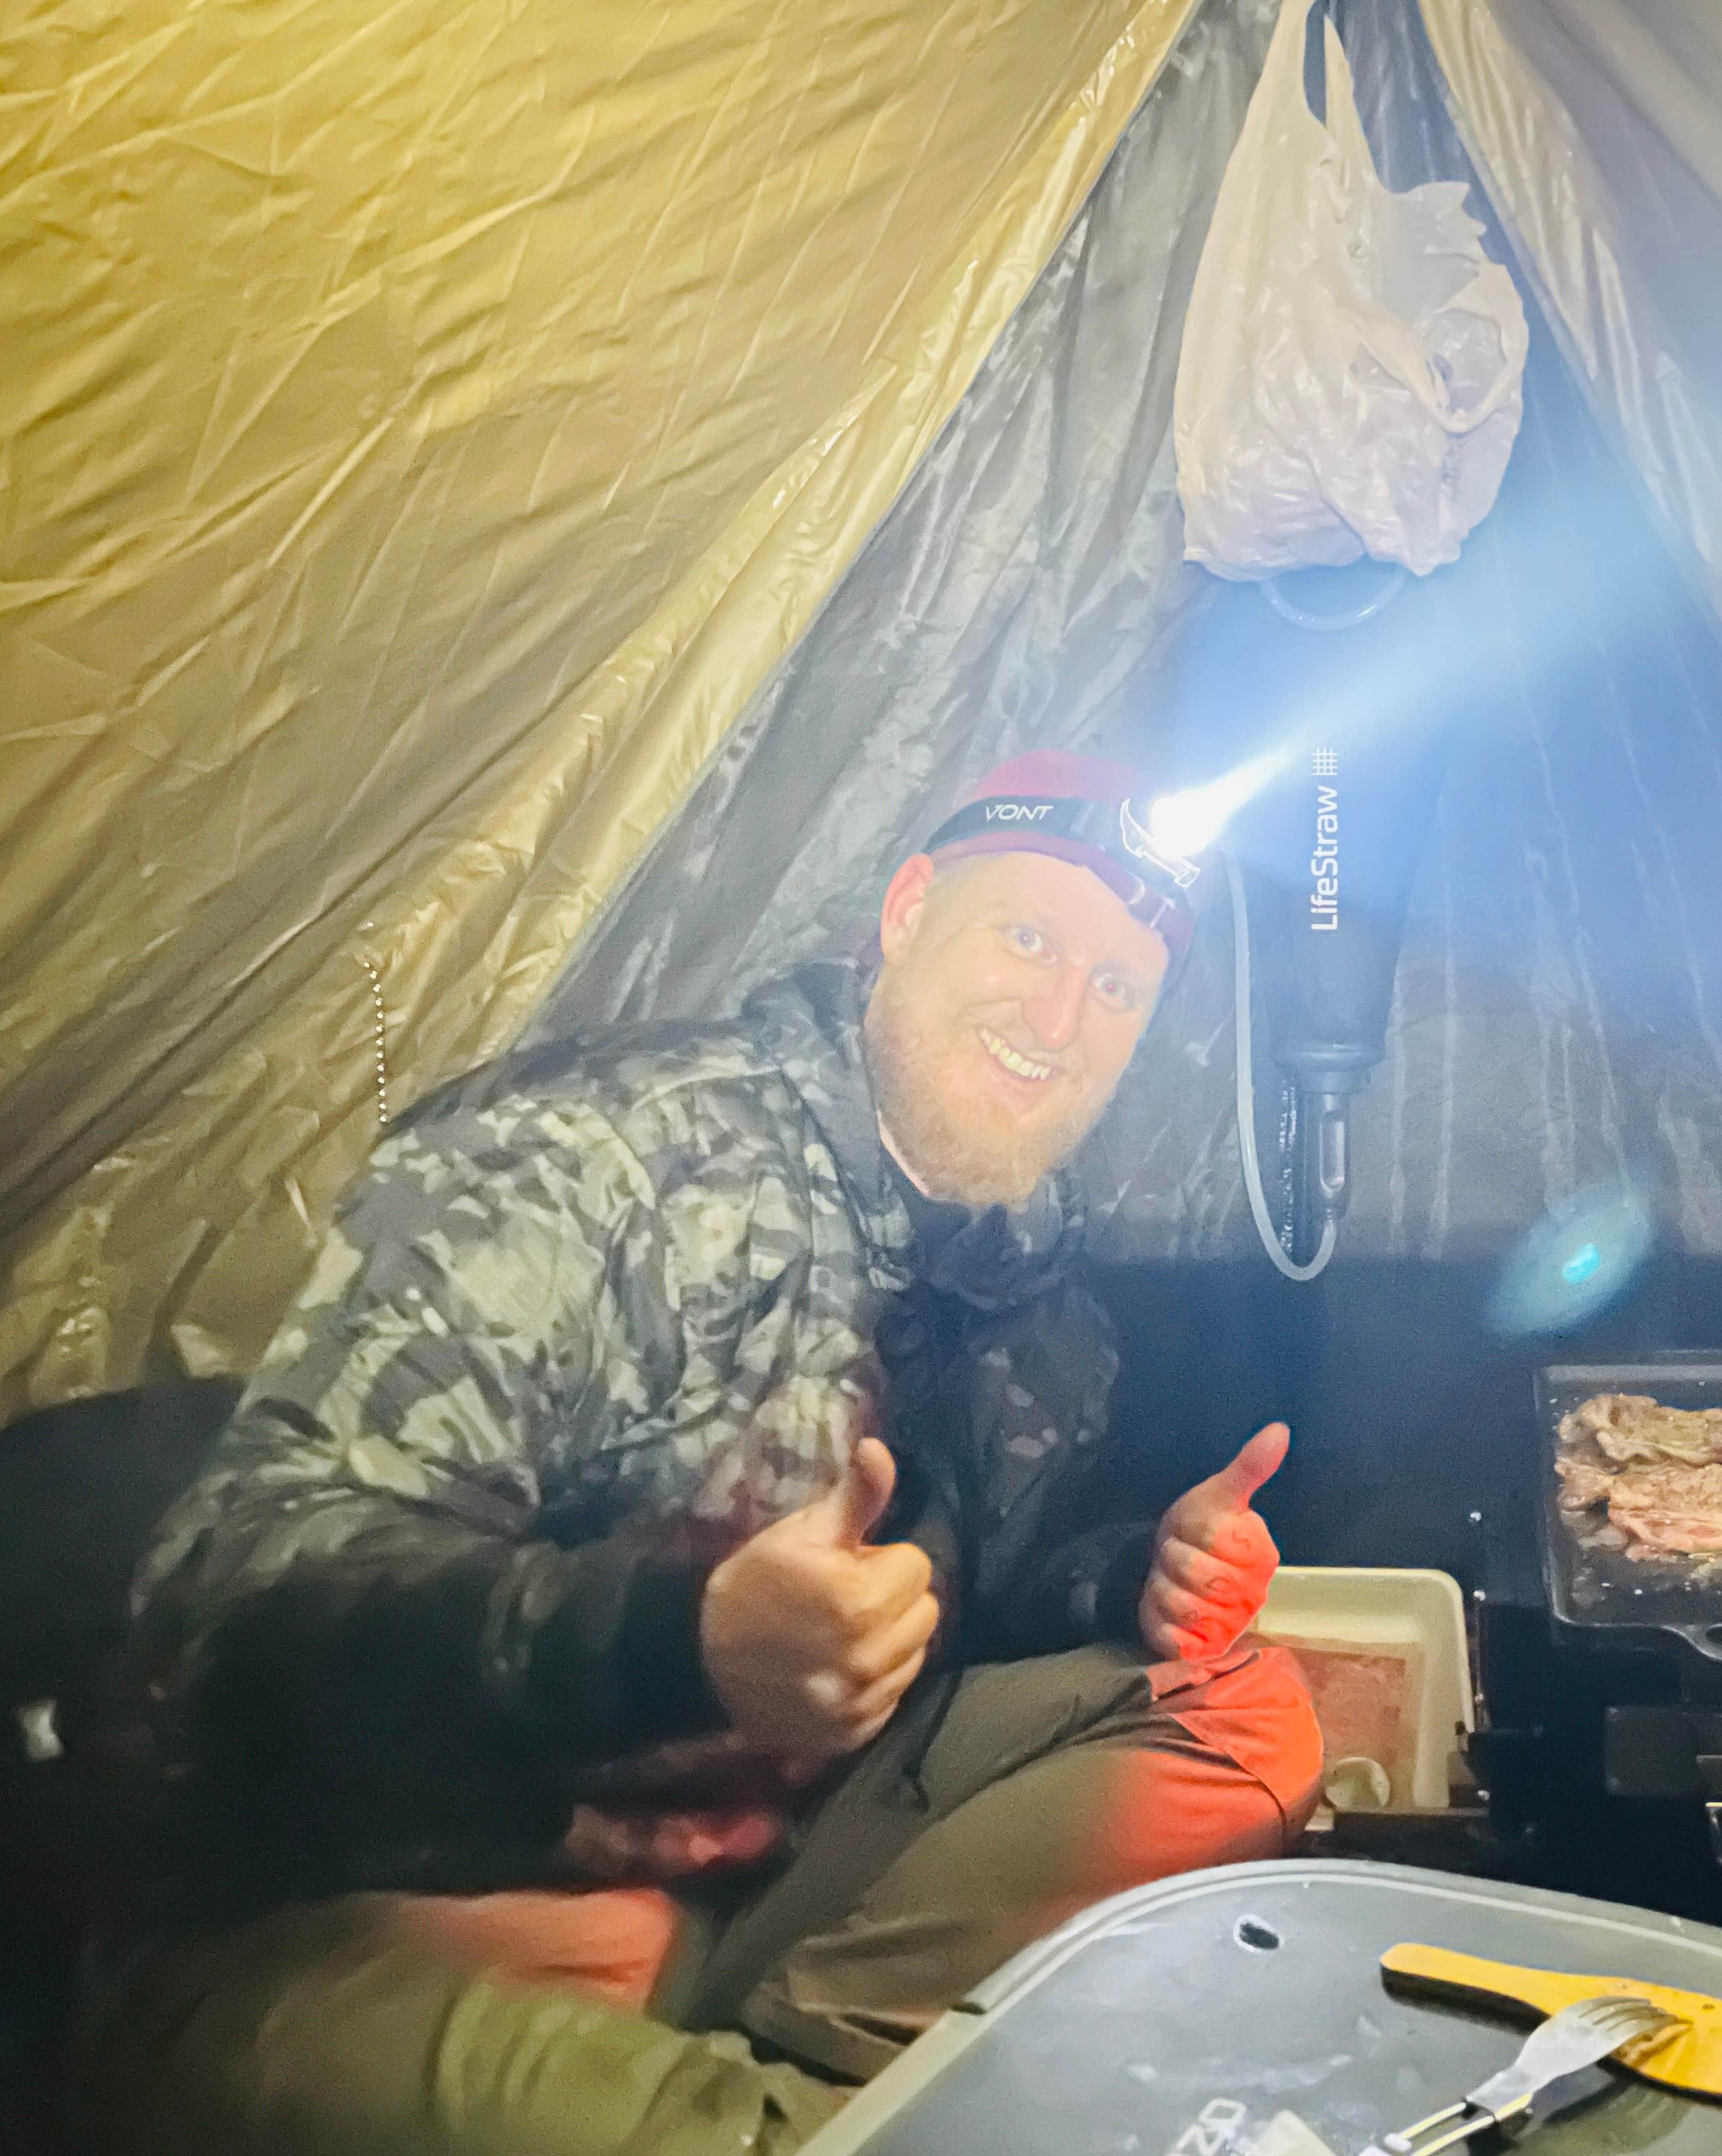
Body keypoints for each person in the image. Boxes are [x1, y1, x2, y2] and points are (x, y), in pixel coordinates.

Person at [75, 751, 1323, 2155]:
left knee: (1250, 1708)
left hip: (752, 1881)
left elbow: (976, 1593)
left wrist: (1133, 1580)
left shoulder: (1029, 1271)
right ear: (908, 913)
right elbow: (230, 1608)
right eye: (1028, 939)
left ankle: (802, 2070)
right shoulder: (591, 1156)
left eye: (1117, 987)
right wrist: (682, 1636)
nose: (1058, 1017)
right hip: (377, 1912)